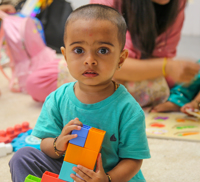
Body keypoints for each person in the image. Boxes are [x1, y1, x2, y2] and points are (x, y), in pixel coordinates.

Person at [9, 4, 151, 182]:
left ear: (121, 58)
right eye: (78, 50)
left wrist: (105, 181)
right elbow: (45, 144)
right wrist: (58, 145)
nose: (90, 60)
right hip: (64, 174)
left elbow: (133, 160)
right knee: (22, 157)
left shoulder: (128, 109)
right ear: (65, 56)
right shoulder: (57, 98)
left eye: (102, 50)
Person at [26, 0, 200, 106]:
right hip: (123, 70)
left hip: (132, 70)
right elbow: (106, 61)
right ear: (64, 53)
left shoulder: (177, 5)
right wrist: (165, 66)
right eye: (77, 50)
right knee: (39, 81)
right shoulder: (108, 6)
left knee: (173, 82)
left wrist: (165, 67)